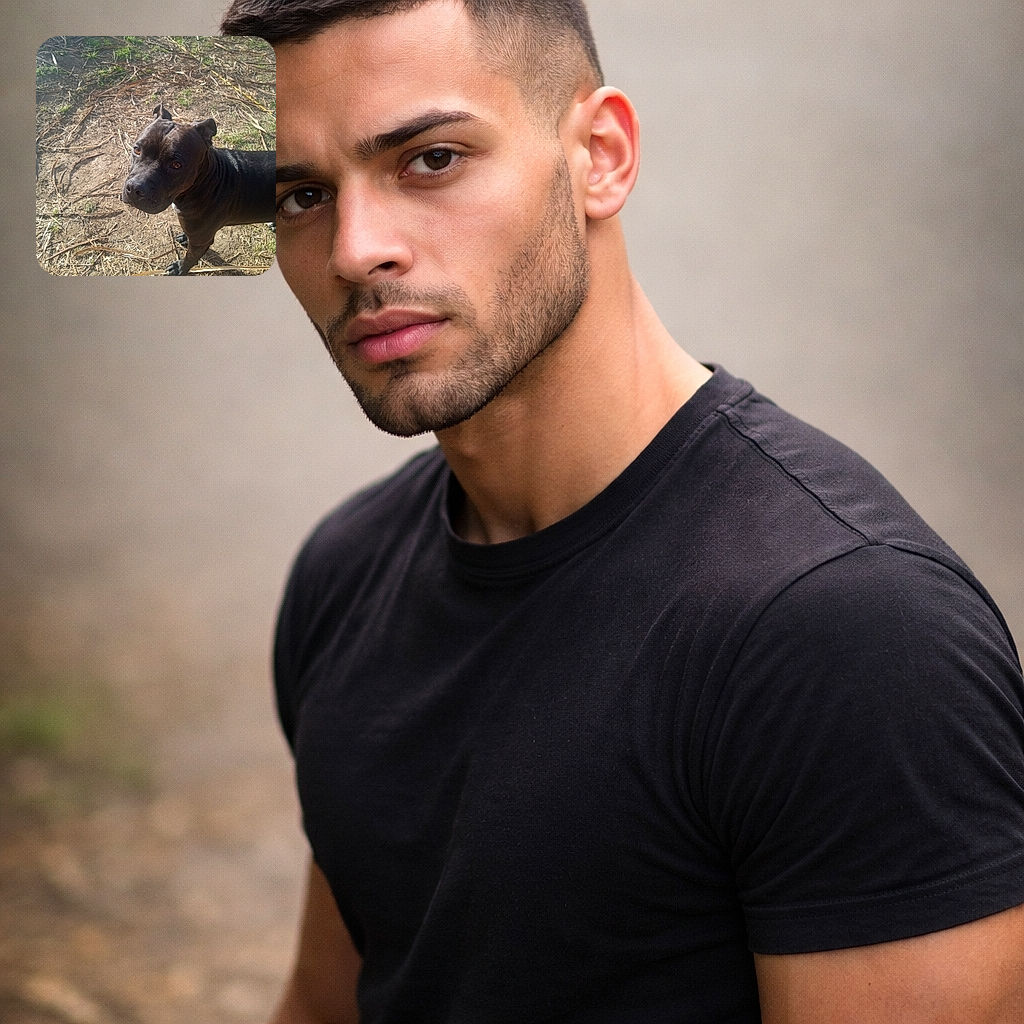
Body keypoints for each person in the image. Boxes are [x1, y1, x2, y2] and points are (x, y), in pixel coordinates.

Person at [220, 1, 1024, 1021]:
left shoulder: (848, 633)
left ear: (599, 155)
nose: (354, 250)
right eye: (299, 194)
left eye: (429, 160)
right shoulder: (344, 573)